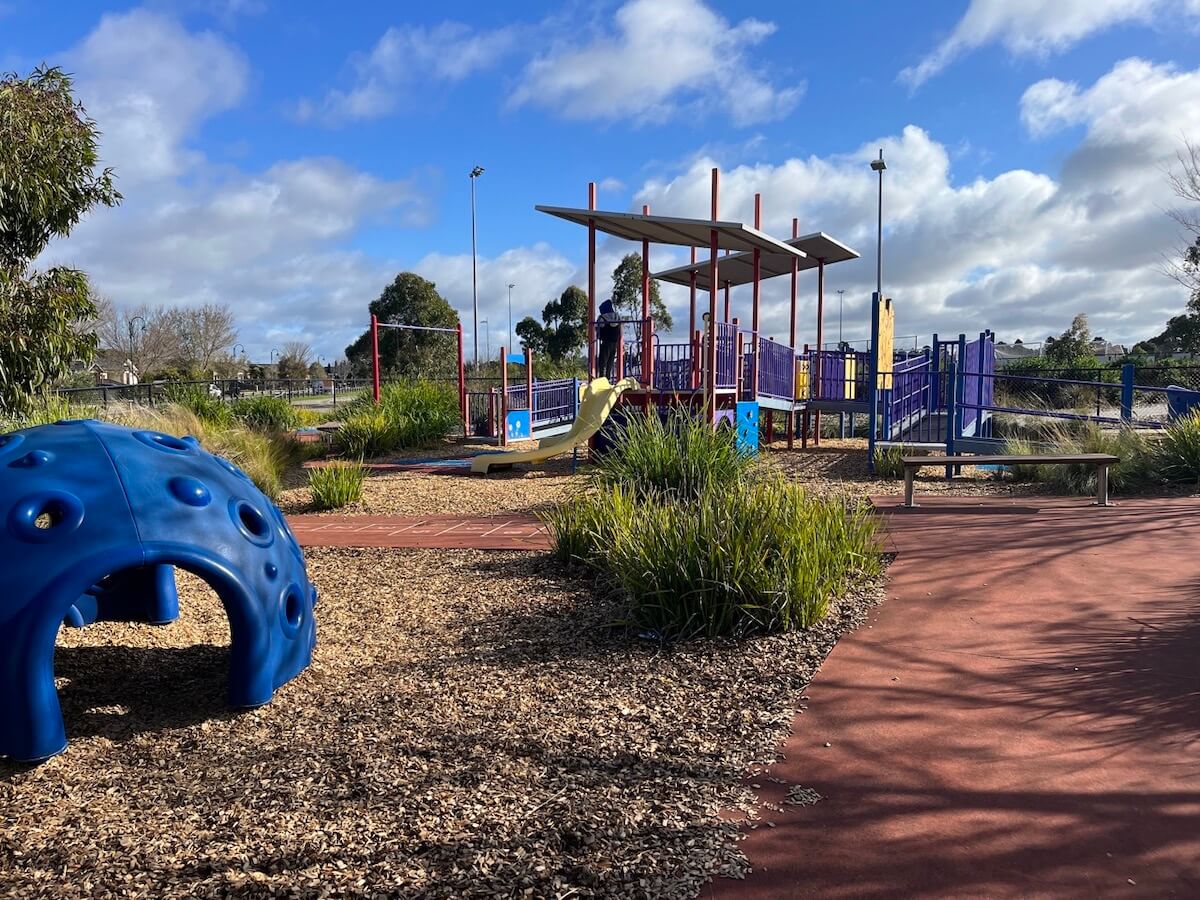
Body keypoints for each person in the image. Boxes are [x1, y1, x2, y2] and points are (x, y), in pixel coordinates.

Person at [596, 298, 621, 379]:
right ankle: (608, 378)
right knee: (610, 361)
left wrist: (598, 335)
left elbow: (598, 328)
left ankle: (601, 378)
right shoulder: (617, 316)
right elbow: (620, 329)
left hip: (606, 341)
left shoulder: (602, 317)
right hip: (614, 342)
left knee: (602, 361)